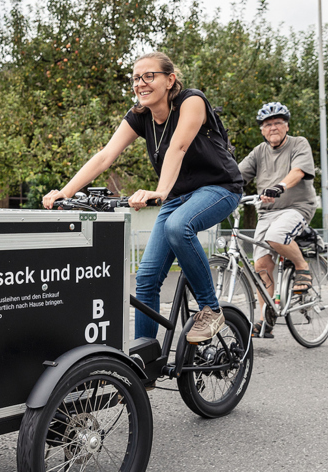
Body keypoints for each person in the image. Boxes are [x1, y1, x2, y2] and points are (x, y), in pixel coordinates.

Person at [42, 52, 243, 343]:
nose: (141, 83)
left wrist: (160, 192)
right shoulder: (139, 116)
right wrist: (65, 191)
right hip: (177, 196)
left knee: (178, 227)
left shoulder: (191, 101)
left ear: (170, 79)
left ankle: (210, 309)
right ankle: (144, 363)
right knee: (146, 280)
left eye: (149, 76)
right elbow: (104, 156)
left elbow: (179, 146)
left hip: (219, 188)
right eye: (136, 78)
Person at [237, 102, 317, 338]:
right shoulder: (258, 152)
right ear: (262, 130)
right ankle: (266, 316)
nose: (273, 128)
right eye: (268, 124)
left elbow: (298, 172)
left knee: (276, 237)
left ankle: (302, 267)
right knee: (261, 266)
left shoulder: (298, 143)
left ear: (286, 126)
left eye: (277, 123)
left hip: (297, 207)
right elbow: (235, 175)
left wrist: (279, 186)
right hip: (267, 212)